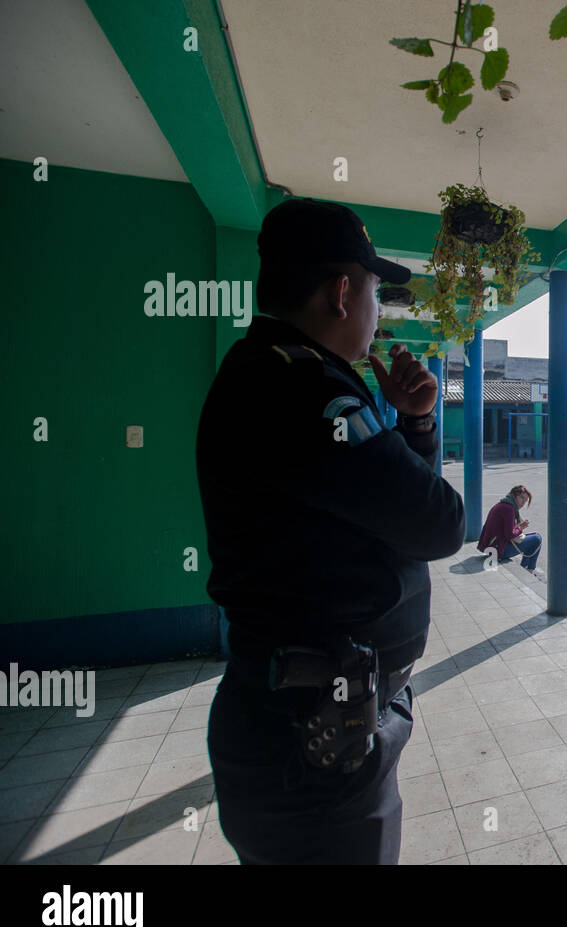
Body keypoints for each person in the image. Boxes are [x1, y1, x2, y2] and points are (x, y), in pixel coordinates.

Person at [197, 197, 466, 865]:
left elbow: (402, 521)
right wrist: (414, 433)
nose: (379, 314)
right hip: (315, 751)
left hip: (304, 728)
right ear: (343, 292)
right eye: (377, 292)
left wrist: (414, 424)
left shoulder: (266, 370)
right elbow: (440, 524)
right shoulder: (309, 394)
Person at [479, 485, 542, 573]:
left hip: (491, 547)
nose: (523, 502)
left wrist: (517, 525)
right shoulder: (509, 509)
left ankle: (526, 568)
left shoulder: (503, 504)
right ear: (514, 495)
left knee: (532, 538)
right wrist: (521, 527)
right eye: (522, 498)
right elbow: (509, 535)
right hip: (497, 550)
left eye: (525, 500)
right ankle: (529, 569)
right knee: (537, 539)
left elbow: (504, 530)